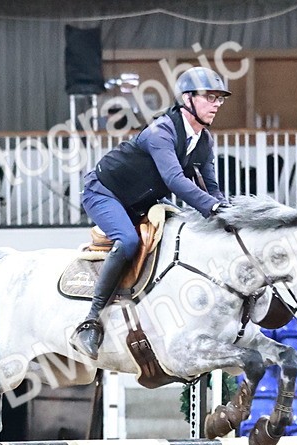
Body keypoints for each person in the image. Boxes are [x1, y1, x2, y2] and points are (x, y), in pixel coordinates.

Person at [70, 66, 233, 359]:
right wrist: (212, 207)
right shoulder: (161, 131)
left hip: (140, 201)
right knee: (129, 241)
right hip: (103, 192)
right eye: (210, 97)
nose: (216, 104)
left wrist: (227, 213)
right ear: (188, 99)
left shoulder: (205, 140)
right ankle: (90, 321)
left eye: (220, 99)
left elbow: (211, 186)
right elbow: (174, 180)